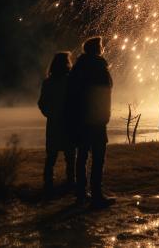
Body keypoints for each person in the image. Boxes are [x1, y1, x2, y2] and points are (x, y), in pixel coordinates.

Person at [66, 37, 115, 208]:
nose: (103, 48)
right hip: (96, 118)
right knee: (98, 156)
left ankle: (81, 193)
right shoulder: (100, 67)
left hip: (80, 118)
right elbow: (105, 93)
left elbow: (72, 94)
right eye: (101, 46)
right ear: (97, 49)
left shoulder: (77, 68)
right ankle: (96, 194)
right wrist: (105, 115)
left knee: (82, 156)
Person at [38, 52, 76, 193]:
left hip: (54, 124)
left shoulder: (48, 82)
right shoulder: (71, 81)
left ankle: (48, 182)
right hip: (68, 123)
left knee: (51, 156)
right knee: (70, 155)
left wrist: (50, 114)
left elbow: (42, 103)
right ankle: (71, 181)